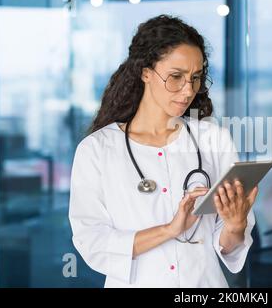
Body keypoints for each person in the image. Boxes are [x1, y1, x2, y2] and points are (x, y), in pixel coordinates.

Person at [68, 15, 257, 288]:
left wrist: (236, 225)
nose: (188, 90)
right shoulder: (97, 150)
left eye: (195, 78)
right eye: (176, 77)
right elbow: (92, 242)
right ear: (145, 72)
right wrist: (170, 230)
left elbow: (228, 246)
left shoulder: (213, 138)